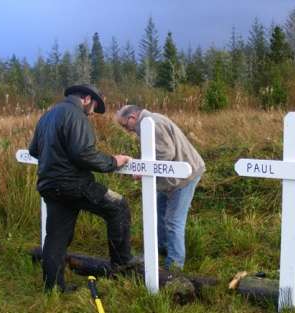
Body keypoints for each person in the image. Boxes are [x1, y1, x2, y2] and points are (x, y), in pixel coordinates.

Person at [29, 84, 135, 293]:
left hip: (49, 185)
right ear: (86, 99)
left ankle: (53, 289)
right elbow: (83, 154)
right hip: (74, 185)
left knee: (56, 237)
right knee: (118, 206)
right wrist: (113, 161)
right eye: (94, 105)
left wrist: (57, 160)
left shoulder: (47, 117)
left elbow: (34, 150)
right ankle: (123, 268)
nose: (94, 112)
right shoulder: (76, 116)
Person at [115, 105, 205, 270]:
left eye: (125, 125)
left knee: (173, 221)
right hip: (170, 179)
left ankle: (174, 266)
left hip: (185, 177)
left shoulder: (152, 124)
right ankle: (162, 249)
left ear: (132, 117)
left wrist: (142, 171)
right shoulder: (147, 122)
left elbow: (165, 154)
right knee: (159, 212)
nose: (126, 130)